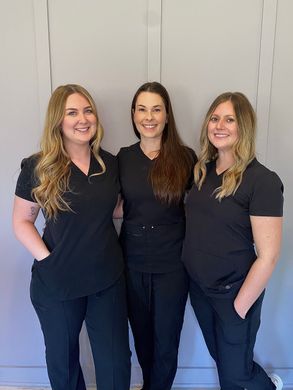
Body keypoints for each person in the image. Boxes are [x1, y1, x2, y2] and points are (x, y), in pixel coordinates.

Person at [12, 84, 131, 390]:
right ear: (58, 121)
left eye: (88, 110)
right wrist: (48, 261)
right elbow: (22, 221)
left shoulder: (110, 164)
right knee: (63, 365)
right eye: (72, 112)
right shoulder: (39, 166)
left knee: (115, 364)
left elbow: (110, 210)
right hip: (57, 279)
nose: (83, 119)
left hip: (107, 278)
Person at [182, 92, 284, 390]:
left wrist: (239, 307)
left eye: (230, 119)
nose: (219, 125)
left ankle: (268, 385)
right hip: (200, 289)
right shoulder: (202, 172)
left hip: (234, 293)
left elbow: (269, 256)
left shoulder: (262, 181)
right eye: (214, 118)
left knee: (237, 372)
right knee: (223, 360)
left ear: (244, 127)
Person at [117, 81, 196, 390]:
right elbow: (111, 205)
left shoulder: (186, 158)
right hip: (131, 261)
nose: (148, 117)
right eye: (142, 109)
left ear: (166, 115)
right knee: (142, 338)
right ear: (133, 114)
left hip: (173, 264)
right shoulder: (121, 159)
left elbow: (201, 209)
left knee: (166, 340)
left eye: (156, 109)